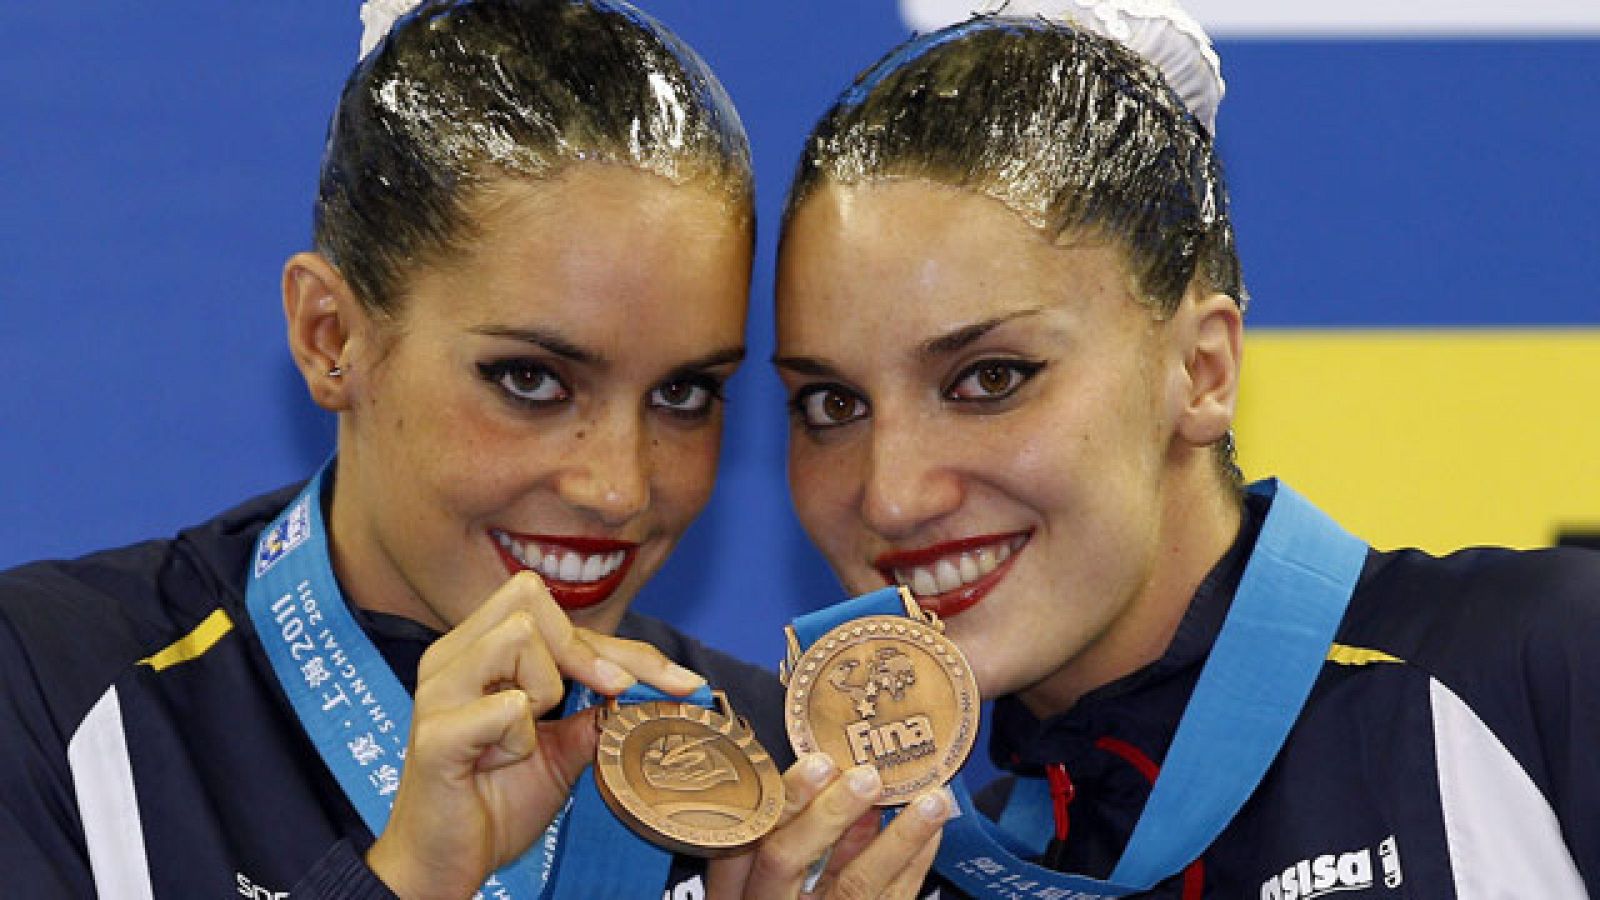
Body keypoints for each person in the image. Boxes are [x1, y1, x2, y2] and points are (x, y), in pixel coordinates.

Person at [0, 1, 950, 897]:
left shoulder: (780, 783)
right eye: (531, 380)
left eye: (682, 393)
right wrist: (404, 879)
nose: (617, 488)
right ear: (331, 337)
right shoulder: (51, 690)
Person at [773, 3, 1600, 897]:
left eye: (991, 379)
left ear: (1202, 371)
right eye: (832, 402)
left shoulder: (1543, 664)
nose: (891, 496)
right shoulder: (916, 873)